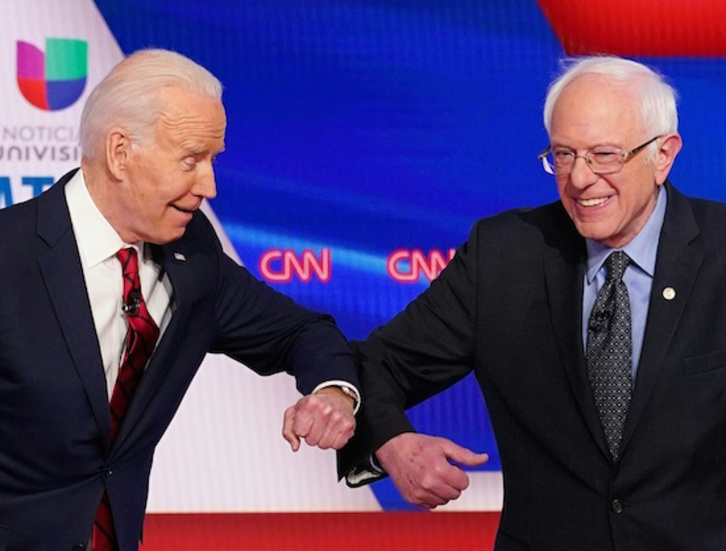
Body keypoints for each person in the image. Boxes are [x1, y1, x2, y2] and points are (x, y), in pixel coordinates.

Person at [340, 55, 726, 550]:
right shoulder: (504, 255)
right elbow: (376, 365)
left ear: (663, 155)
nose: (581, 179)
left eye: (604, 155)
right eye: (564, 155)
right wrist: (392, 444)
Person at [0, 49, 360, 551]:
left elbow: (301, 332)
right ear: (121, 152)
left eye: (213, 160)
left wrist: (333, 392)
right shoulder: (9, 255)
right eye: (191, 159)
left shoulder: (194, 257)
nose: (208, 185)